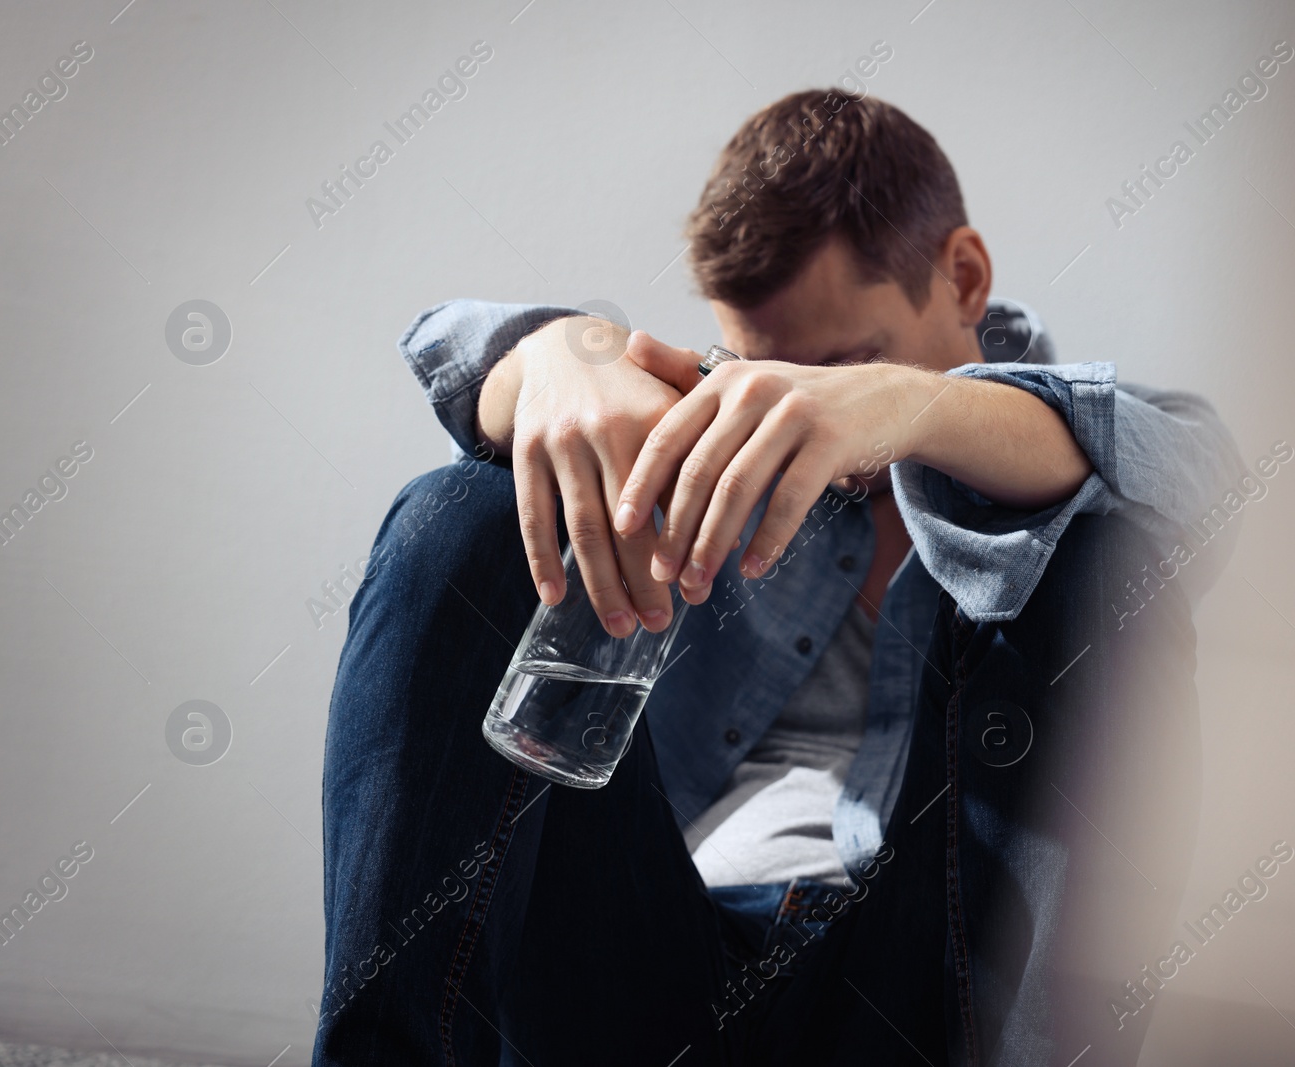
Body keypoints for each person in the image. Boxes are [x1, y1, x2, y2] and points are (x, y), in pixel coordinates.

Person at [314, 88, 1242, 1066]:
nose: (793, 407)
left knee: (1095, 546)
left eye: (842, 365)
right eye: (766, 371)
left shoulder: (1081, 433)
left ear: (962, 277)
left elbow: (1198, 470)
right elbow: (449, 337)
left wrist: (912, 409)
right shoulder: (717, 429)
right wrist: (556, 354)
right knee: (460, 510)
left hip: (915, 1002)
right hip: (650, 971)